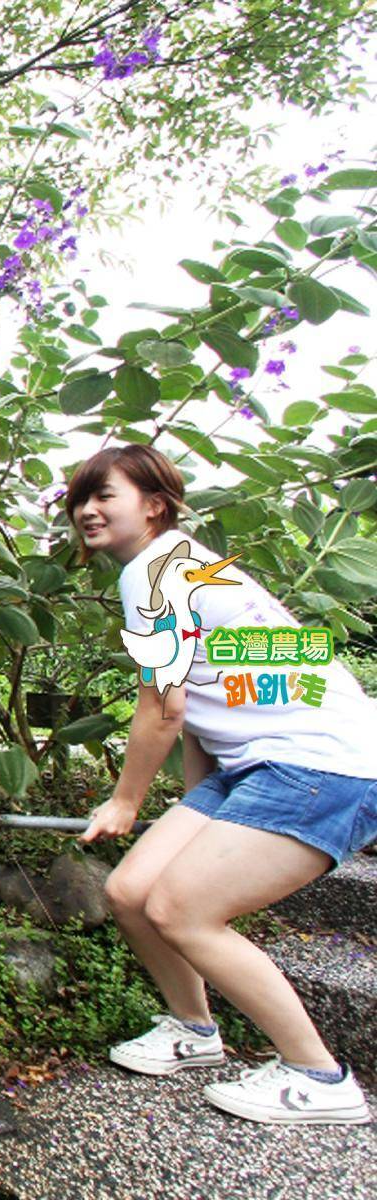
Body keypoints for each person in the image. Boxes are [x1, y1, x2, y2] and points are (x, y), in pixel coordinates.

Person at [68, 444, 375, 1125]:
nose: (86, 510)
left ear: (153, 504)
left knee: (183, 908)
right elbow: (213, 701)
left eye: (103, 496)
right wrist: (193, 804)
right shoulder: (186, 564)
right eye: (78, 500)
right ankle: (194, 1031)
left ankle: (319, 1077)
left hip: (319, 763)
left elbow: (164, 708)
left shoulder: (154, 574)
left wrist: (126, 802)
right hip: (256, 762)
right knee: (131, 892)